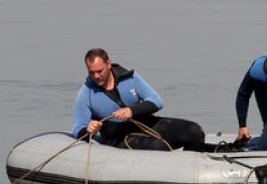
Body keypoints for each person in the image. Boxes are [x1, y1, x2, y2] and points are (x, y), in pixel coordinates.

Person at [72, 48, 215, 151]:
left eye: (100, 71)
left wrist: (131, 111)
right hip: (117, 137)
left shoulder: (129, 77)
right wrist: (89, 130)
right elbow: (78, 129)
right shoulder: (86, 94)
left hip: (144, 123)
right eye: (92, 72)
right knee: (158, 146)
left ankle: (190, 172)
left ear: (109, 64)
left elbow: (157, 101)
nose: (96, 76)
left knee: (194, 131)